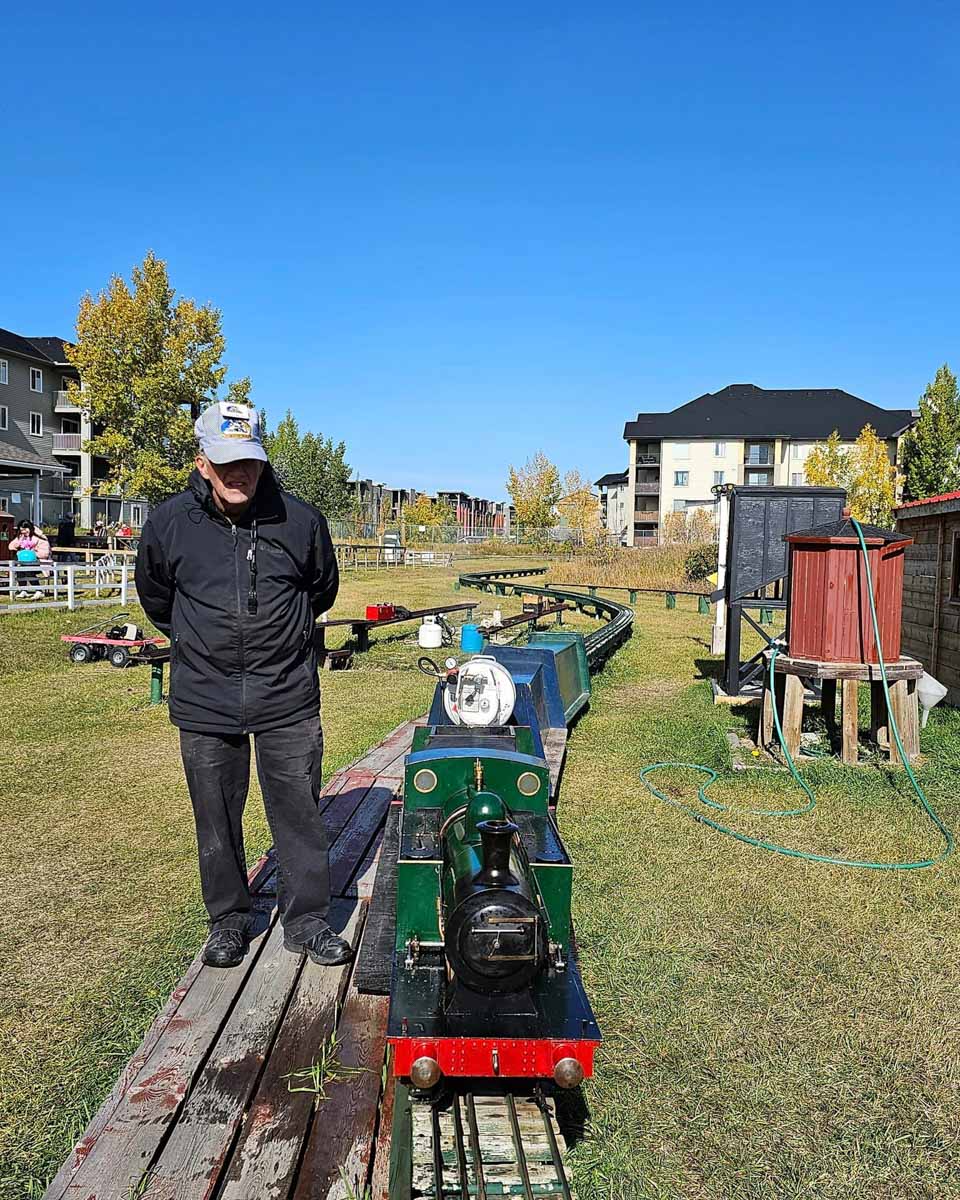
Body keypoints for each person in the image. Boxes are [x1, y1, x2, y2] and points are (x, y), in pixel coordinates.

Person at [135, 402, 349, 969]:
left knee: (299, 812)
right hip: (205, 699)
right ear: (202, 461)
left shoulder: (301, 521)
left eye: (249, 461)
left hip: (287, 696)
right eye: (227, 462)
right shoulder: (169, 523)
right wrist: (198, 643)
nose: (240, 474)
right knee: (215, 816)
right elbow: (157, 599)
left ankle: (306, 921)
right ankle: (229, 919)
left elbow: (320, 590)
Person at [9, 520, 50, 599]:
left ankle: (39, 590)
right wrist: (19, 544)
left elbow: (45, 553)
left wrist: (32, 553)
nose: (23, 532)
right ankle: (23, 590)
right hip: (24, 561)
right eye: (21, 530)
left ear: (30, 528)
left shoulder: (40, 537)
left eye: (25, 529)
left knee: (27, 567)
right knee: (19, 567)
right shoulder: (22, 537)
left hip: (40, 562)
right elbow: (10, 546)